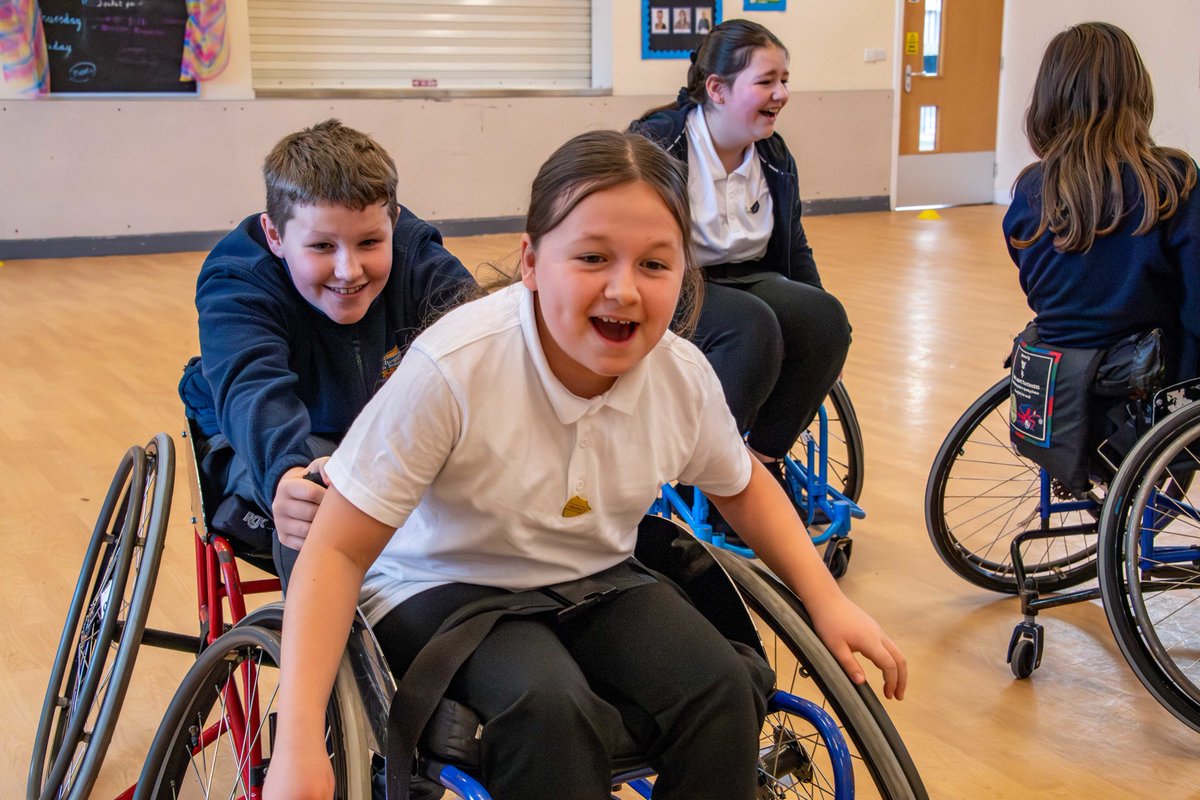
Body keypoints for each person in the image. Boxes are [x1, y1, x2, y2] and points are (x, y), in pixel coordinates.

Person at [263, 130, 905, 800]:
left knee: (722, 687)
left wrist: (826, 603)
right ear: (533, 262)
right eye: (593, 258)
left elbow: (743, 487)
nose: (624, 291)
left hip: (592, 575)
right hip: (439, 584)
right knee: (547, 708)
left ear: (686, 273)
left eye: (655, 266)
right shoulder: (455, 367)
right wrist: (300, 741)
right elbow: (333, 551)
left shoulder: (678, 374)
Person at [178, 119, 475, 589]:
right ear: (274, 236)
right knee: (320, 495)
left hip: (378, 428)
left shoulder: (418, 257)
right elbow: (251, 388)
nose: (348, 270)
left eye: (370, 243)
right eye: (321, 246)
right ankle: (337, 647)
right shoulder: (238, 281)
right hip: (269, 441)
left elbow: (477, 340)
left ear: (393, 222)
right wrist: (286, 475)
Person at [629, 19, 852, 502]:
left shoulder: (772, 155)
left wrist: (821, 328)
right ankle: (706, 473)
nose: (782, 94)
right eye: (767, 81)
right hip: (673, 283)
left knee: (825, 319)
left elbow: (793, 248)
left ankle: (762, 463)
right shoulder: (661, 143)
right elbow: (625, 235)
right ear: (718, 89)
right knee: (753, 327)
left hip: (749, 274)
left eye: (785, 80)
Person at [1004, 22, 1200, 491]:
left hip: (1058, 375)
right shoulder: (1173, 180)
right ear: (1137, 91)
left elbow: (1033, 280)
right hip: (1147, 378)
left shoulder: (1032, 189)